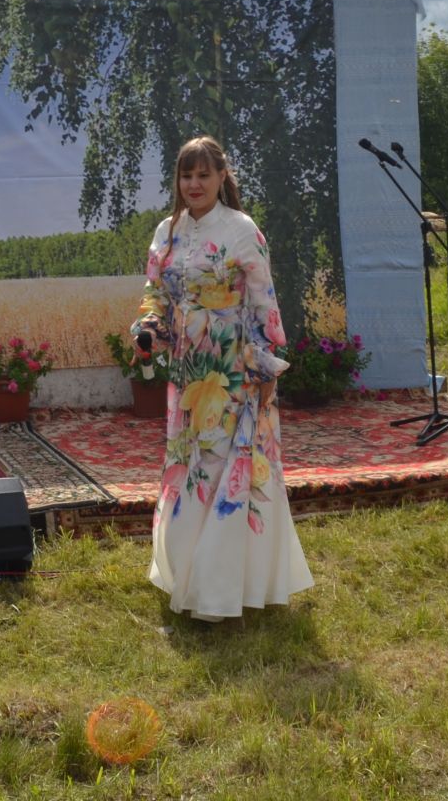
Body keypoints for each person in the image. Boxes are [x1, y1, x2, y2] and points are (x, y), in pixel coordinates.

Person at [131, 136, 313, 621]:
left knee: (225, 469)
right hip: (189, 370)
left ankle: (220, 589)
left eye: (203, 175)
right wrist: (148, 327)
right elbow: (156, 293)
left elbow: (262, 297)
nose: (194, 184)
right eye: (186, 176)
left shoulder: (241, 229)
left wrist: (265, 360)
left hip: (234, 368)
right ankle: (187, 573)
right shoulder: (166, 231)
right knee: (190, 466)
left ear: (221, 178)